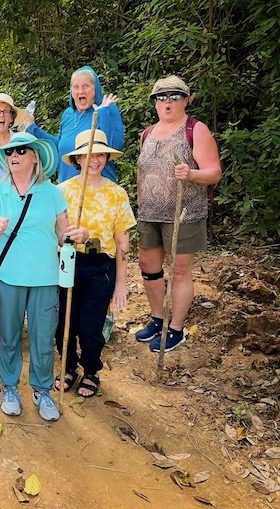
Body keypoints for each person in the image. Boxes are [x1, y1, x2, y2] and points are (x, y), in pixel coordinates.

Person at [0, 132, 87, 422]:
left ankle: (42, 390)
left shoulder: (52, 192)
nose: (14, 156)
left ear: (35, 157)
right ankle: (10, 387)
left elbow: (62, 232)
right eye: (10, 153)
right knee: (10, 336)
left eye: (22, 151)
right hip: (9, 276)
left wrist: (78, 234)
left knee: (42, 337)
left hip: (45, 276)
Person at [135, 75, 222, 353]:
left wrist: (192, 173)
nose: (168, 102)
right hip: (150, 214)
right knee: (149, 268)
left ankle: (176, 328)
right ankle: (158, 319)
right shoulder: (147, 134)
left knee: (181, 271)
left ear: (186, 100)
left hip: (183, 212)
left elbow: (214, 173)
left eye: (174, 96)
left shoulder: (195, 129)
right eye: (161, 97)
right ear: (155, 102)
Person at [55, 130, 136, 397]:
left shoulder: (117, 194)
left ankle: (91, 369)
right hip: (67, 263)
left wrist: (121, 284)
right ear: (78, 158)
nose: (95, 159)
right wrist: (68, 235)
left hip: (100, 267)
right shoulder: (62, 191)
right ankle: (67, 366)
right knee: (64, 322)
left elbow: (122, 241)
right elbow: (55, 232)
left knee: (91, 326)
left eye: (100, 153)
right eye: (89, 154)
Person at [21, 65, 124, 183]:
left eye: (86, 86)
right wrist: (33, 129)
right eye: (76, 87)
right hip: (68, 190)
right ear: (71, 91)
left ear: (95, 89)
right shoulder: (68, 115)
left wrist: (102, 113)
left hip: (99, 192)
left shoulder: (108, 109)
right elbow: (60, 147)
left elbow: (115, 147)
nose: (81, 91)